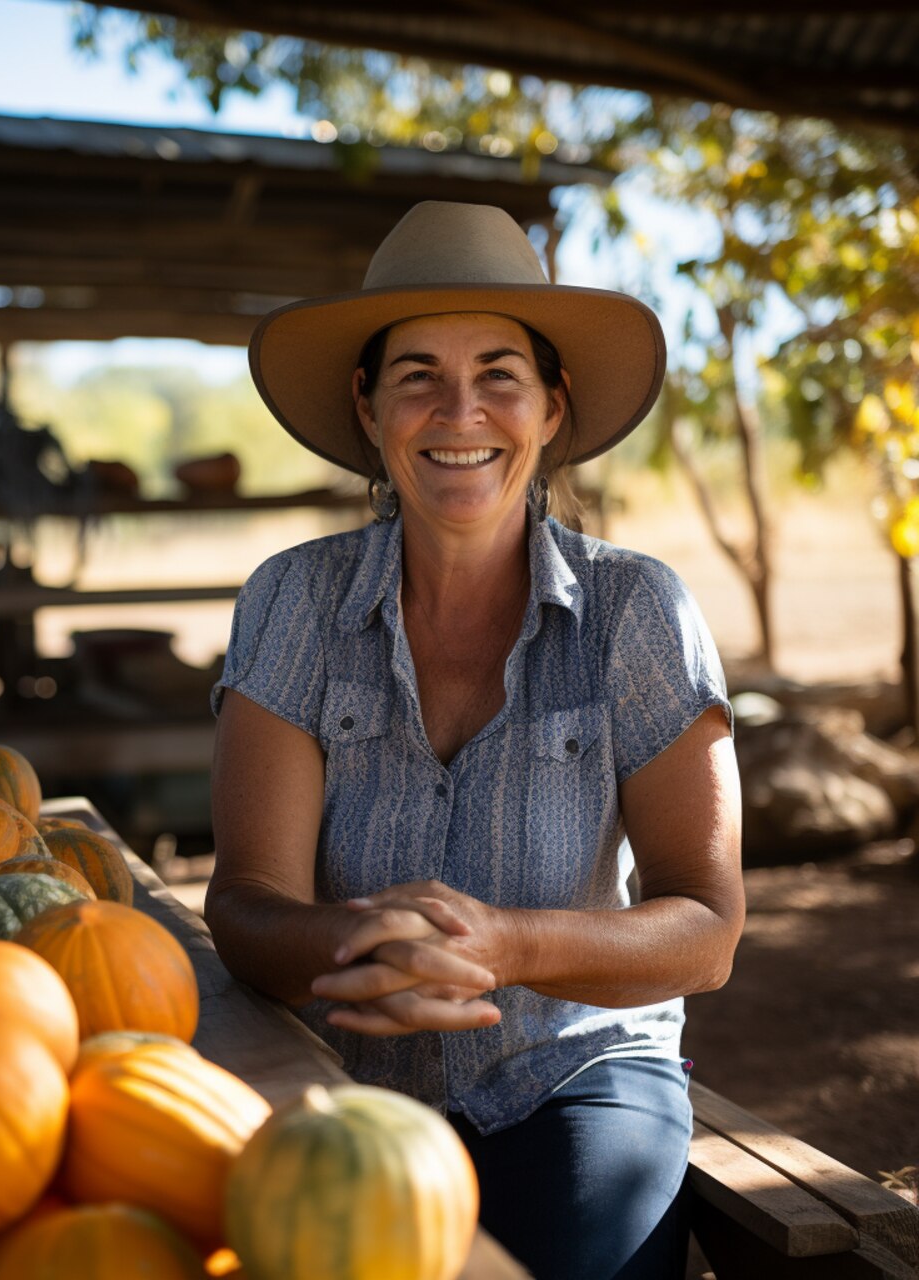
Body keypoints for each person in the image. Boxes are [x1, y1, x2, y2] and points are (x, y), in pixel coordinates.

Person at [206, 201, 745, 1280]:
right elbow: (246, 904)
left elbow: (705, 926)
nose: (460, 409)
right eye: (416, 375)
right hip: (349, 1082)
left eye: (499, 371)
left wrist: (503, 942)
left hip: (577, 1073)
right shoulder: (293, 602)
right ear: (367, 407)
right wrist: (364, 943)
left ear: (551, 405)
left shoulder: (632, 610)